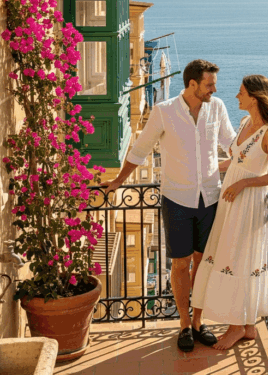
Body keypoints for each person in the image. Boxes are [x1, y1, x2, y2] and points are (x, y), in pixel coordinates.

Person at [101, 59, 236, 352]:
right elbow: (140, 150)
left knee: (204, 263)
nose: (214, 89)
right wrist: (118, 181)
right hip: (177, 199)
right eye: (209, 84)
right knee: (180, 264)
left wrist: (257, 154)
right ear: (192, 84)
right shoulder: (164, 112)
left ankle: (199, 321)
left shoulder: (217, 108)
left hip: (210, 198)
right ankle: (184, 324)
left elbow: (232, 144)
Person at [192, 74, 268, 350]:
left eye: (241, 92)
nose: (237, 96)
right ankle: (248, 326)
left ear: (255, 97)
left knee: (237, 258)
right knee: (232, 256)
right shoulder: (246, 122)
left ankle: (236, 327)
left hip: (247, 203)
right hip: (231, 200)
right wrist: (209, 171)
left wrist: (243, 183)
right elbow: (236, 160)